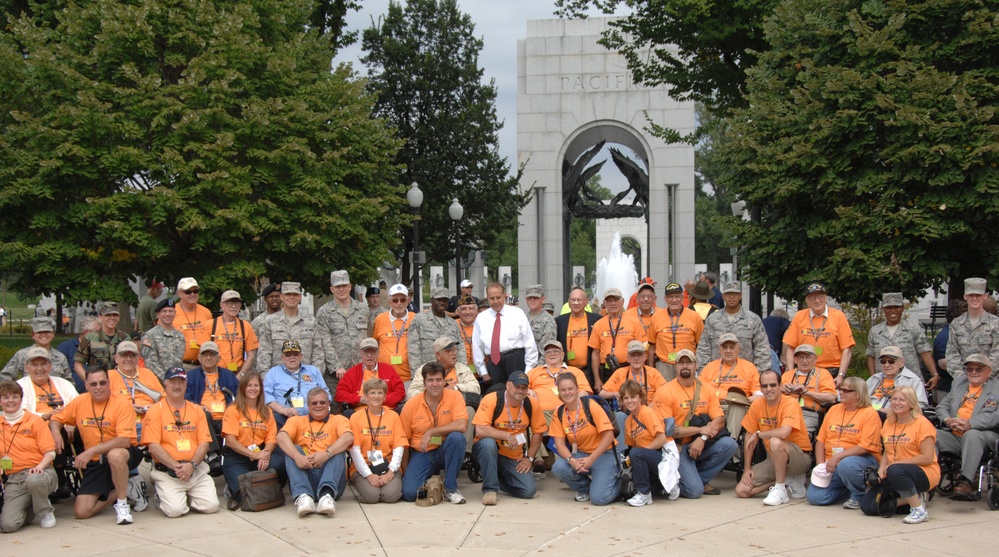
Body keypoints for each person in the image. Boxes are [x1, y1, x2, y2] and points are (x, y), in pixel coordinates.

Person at [50, 368, 144, 525]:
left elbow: (124, 440)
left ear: (109, 383)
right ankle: (124, 487)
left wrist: (90, 451)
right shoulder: (80, 401)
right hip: (97, 461)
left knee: (115, 455)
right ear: (86, 385)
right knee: (81, 512)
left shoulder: (122, 403)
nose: (98, 387)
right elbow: (56, 418)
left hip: (124, 454)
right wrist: (56, 432)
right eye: (93, 384)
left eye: (102, 383)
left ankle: (122, 505)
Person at [652, 349, 738, 498]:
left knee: (730, 444)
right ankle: (673, 481)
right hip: (677, 447)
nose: (685, 366)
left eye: (689, 362)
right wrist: (700, 431)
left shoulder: (707, 389)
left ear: (696, 365)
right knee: (694, 492)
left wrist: (702, 438)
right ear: (675, 366)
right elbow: (671, 431)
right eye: (681, 363)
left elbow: (719, 420)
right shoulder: (664, 391)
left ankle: (699, 478)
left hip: (700, 443)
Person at [142, 367, 219, 518]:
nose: (177, 386)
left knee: (211, 506)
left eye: (181, 382)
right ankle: (166, 494)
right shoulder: (155, 411)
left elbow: (204, 442)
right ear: (165, 384)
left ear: (186, 385)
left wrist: (192, 465)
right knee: (175, 511)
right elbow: (153, 446)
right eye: (173, 382)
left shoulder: (197, 410)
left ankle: (185, 495)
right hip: (169, 472)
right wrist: (176, 467)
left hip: (196, 469)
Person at [737, 369, 812, 505]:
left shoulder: (790, 403)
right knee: (742, 490)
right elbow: (749, 437)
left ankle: (780, 489)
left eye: (773, 385)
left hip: (799, 458)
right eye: (764, 386)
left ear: (781, 386)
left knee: (775, 442)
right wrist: (747, 468)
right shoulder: (757, 404)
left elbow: (784, 433)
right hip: (774, 458)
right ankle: (786, 480)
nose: (769, 389)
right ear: (760, 388)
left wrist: (759, 435)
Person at [806, 377, 882, 508]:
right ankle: (849, 488)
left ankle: (858, 496)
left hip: (860, 462)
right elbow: (820, 440)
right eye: (841, 389)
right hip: (832, 464)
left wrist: (837, 457)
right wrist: (820, 465)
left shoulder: (870, 414)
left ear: (858, 394)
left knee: (847, 465)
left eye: (846, 390)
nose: (841, 392)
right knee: (815, 497)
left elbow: (865, 447)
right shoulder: (834, 409)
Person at [472, 370, 546, 505]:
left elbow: (538, 432)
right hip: (487, 451)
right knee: (488, 444)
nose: (521, 391)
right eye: (517, 387)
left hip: (512, 455)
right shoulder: (492, 399)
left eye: (524, 388)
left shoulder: (531, 403)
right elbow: (480, 429)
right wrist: (507, 435)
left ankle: (494, 476)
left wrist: (529, 458)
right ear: (508, 385)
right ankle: (490, 490)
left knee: (528, 491)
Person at [399, 362, 469, 504]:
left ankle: (451, 488)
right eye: (430, 380)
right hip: (422, 452)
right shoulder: (412, 404)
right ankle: (432, 479)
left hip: (445, 450)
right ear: (424, 382)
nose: (435, 384)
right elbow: (404, 442)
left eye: (438, 380)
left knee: (457, 438)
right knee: (410, 493)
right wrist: (406, 472)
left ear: (445, 381)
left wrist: (431, 432)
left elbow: (462, 425)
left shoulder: (455, 397)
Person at [277, 388, 353, 517]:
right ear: (308, 405)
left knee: (337, 449)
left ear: (329, 404)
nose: (318, 406)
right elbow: (280, 437)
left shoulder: (339, 420)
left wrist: (326, 454)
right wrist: (298, 457)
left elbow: (348, 437)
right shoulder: (296, 421)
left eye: (322, 402)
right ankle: (304, 496)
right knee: (293, 448)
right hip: (305, 472)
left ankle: (326, 496)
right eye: (314, 403)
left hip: (330, 476)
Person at [871, 385, 939, 524]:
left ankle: (918, 510)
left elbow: (927, 457)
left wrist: (895, 465)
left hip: (924, 472)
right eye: (894, 399)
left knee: (896, 470)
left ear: (911, 403)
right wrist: (881, 468)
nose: (897, 403)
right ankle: (914, 497)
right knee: (870, 507)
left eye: (902, 400)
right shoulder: (889, 422)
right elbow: (887, 451)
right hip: (896, 472)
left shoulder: (922, 424)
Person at [935, 353, 999, 500]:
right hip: (955, 434)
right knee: (929, 434)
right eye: (970, 369)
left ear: (988, 371)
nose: (973, 372)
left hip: (984, 435)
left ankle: (966, 481)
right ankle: (929, 477)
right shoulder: (959, 383)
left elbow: (996, 416)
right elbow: (941, 407)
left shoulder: (996, 387)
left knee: (972, 434)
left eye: (978, 369)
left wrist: (971, 423)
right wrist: (948, 420)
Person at [548, 372, 618, 505]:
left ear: (577, 389)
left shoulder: (590, 405)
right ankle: (585, 489)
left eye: (570, 389)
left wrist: (591, 459)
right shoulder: (559, 413)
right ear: (559, 392)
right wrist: (571, 460)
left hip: (603, 453)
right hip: (581, 454)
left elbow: (609, 436)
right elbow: (560, 444)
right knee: (559, 467)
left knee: (599, 499)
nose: (567, 393)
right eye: (563, 390)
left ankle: (623, 485)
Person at [0, 380, 58, 533]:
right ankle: (32, 508)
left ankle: (45, 511)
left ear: (21, 399)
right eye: (5, 397)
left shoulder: (34, 420)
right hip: (15, 479)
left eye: (14, 396)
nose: (10, 401)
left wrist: (39, 467)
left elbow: (50, 453)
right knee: (8, 525)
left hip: (41, 473)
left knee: (34, 480)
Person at [221, 371, 282, 508]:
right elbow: (231, 441)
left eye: (256, 385)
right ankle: (233, 488)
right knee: (242, 496)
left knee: (279, 464)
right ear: (243, 388)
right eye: (249, 385)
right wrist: (254, 455)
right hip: (239, 455)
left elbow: (272, 438)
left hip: (261, 454)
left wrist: (265, 454)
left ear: (261, 388)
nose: (253, 389)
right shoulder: (233, 410)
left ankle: (267, 489)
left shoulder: (267, 411)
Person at [782, 282, 856, 384]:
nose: (817, 301)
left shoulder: (839, 317)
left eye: (820, 297)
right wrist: (790, 372)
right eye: (812, 298)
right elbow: (790, 346)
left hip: (831, 371)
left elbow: (846, 349)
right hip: (804, 370)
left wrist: (841, 375)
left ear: (826, 298)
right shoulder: (799, 316)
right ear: (807, 301)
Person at [348, 378, 407, 503]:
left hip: (389, 465)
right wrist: (368, 474)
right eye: (372, 393)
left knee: (391, 496)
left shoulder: (393, 416)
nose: (376, 396)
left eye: (380, 393)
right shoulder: (356, 417)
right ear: (365, 396)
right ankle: (365, 486)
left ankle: (388, 482)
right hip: (363, 467)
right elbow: (354, 450)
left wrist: (391, 472)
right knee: (372, 497)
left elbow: (399, 447)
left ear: (385, 396)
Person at [867, 292, 939, 390]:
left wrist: (934, 374)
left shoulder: (913, 329)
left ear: (902, 308)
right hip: (884, 384)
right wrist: (874, 379)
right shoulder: (875, 331)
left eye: (896, 307)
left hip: (910, 383)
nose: (893, 310)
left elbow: (925, 353)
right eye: (889, 307)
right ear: (883, 309)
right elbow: (871, 356)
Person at [472, 282, 538, 388]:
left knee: (518, 393)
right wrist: (483, 371)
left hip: (515, 360)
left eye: (498, 297)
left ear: (505, 295)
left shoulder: (517, 313)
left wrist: (528, 369)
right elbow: (477, 346)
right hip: (493, 363)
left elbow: (529, 342)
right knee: (496, 395)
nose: (496, 301)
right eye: (492, 298)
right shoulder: (481, 318)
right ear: (487, 298)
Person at [316, 270, 371, 395]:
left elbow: (369, 336)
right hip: (336, 374)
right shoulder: (324, 312)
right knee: (336, 408)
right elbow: (324, 341)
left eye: (344, 286)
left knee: (362, 406)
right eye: (337, 286)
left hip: (361, 369)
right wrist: (336, 366)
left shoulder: (363, 309)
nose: (341, 289)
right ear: (332, 289)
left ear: (350, 287)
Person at [698, 333, 763, 437]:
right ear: (719, 349)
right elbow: (698, 392)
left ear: (738, 349)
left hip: (738, 408)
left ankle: (730, 441)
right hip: (714, 406)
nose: (728, 351)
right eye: (725, 347)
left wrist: (743, 400)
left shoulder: (749, 367)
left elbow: (760, 396)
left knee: (736, 406)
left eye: (732, 347)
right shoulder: (709, 367)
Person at [697, 281, 771, 373]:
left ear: (740, 296)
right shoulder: (712, 320)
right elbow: (703, 349)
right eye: (728, 294)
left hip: (745, 376)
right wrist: (704, 373)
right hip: (717, 376)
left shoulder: (753, 319)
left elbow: (762, 349)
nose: (731, 297)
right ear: (723, 296)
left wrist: (758, 374)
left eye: (735, 294)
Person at [620, 378, 671, 506]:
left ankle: (644, 494)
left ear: (640, 398)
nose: (629, 401)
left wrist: (641, 453)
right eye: (626, 398)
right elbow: (632, 447)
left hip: (663, 456)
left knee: (637, 454)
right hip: (645, 459)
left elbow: (661, 439)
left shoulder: (647, 413)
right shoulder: (628, 421)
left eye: (633, 397)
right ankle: (660, 487)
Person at [587, 287, 648, 392]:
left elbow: (643, 348)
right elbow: (595, 353)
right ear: (605, 303)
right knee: (607, 400)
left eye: (616, 300)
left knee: (629, 398)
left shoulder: (634, 322)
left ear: (622, 301)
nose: (613, 303)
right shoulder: (598, 325)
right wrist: (597, 379)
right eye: (609, 301)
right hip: (606, 370)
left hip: (628, 368)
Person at [256, 282, 325, 374]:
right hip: (278, 379)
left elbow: (318, 352)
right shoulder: (270, 321)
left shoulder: (311, 321)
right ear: (281, 297)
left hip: (306, 377)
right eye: (288, 294)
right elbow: (264, 352)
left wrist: (315, 375)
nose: (291, 297)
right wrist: (266, 377)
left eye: (295, 294)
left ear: (300, 297)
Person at [263, 340, 330, 427]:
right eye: (288, 355)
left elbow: (326, 393)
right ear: (282, 357)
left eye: (295, 354)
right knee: (273, 418)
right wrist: (283, 410)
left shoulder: (313, 371)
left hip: (313, 416)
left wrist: (318, 408)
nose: (292, 357)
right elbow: (265, 395)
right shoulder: (273, 373)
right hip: (284, 417)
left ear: (301, 356)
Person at [649, 282, 703, 381]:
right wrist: (651, 370)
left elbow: (701, 346)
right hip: (664, 366)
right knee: (664, 394)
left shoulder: (694, 316)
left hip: (686, 364)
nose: (674, 300)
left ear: (682, 298)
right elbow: (652, 347)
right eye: (670, 297)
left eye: (677, 297)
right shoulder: (656, 317)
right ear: (665, 299)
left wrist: (698, 367)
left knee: (687, 394)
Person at [946, 277, 999, 379]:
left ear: (985, 296)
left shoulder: (996, 323)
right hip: (963, 382)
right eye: (971, 295)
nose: (974, 298)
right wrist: (963, 379)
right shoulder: (956, 324)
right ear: (965, 296)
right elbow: (952, 356)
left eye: (978, 295)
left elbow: (997, 356)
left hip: (990, 382)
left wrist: (981, 379)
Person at [336, 338, 405, 415]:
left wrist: (381, 399)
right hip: (360, 412)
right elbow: (340, 394)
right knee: (347, 413)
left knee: (403, 410)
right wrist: (360, 399)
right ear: (360, 354)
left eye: (372, 352)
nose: (369, 355)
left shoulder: (389, 370)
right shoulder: (352, 372)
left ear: (378, 353)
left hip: (386, 410)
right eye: (366, 352)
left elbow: (400, 392)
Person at [781, 344, 837, 435]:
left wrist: (807, 392)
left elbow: (831, 398)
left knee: (794, 433)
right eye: (801, 357)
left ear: (815, 359)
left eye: (808, 357)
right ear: (795, 360)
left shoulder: (823, 374)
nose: (804, 361)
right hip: (786, 412)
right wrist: (782, 390)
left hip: (809, 413)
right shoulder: (787, 375)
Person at [408, 287, 467, 374]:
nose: (442, 303)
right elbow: (413, 350)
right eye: (438, 299)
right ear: (431, 300)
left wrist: (463, 373)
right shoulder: (419, 320)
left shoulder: (453, 324)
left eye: (445, 300)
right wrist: (418, 375)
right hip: (428, 374)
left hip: (451, 374)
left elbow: (460, 350)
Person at [555, 286, 602, 386]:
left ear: (586, 302)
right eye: (573, 300)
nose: (576, 303)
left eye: (579, 300)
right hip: (567, 372)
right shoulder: (559, 321)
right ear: (568, 302)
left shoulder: (597, 320)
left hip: (589, 372)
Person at [1, 317, 72, 381]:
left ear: (53, 334)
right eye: (39, 332)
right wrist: (16, 391)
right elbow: (5, 376)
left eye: (47, 331)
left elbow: (68, 382)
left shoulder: (60, 357)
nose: (43, 334)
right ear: (33, 335)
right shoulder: (22, 355)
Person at [74, 303, 130, 383]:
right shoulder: (90, 339)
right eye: (108, 315)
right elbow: (78, 364)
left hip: (121, 383)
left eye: (115, 315)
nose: (112, 318)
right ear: (100, 317)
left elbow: (133, 361)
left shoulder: (125, 338)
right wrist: (89, 381)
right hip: (99, 385)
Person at [371, 284, 416, 383]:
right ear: (389, 302)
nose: (399, 303)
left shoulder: (415, 319)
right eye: (395, 300)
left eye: (402, 300)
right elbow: (374, 344)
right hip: (383, 377)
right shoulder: (380, 319)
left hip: (409, 377)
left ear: (408, 300)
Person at [208, 290, 259, 377]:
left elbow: (251, 356)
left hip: (237, 374)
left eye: (237, 303)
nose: (233, 306)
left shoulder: (246, 326)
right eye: (229, 303)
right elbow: (204, 355)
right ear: (222, 305)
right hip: (215, 374)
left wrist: (241, 375)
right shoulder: (210, 325)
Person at [867, 346, 928, 417]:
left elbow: (920, 405)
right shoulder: (874, 378)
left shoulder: (912, 380)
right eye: (883, 361)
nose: (886, 365)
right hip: (868, 414)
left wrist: (893, 411)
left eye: (891, 361)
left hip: (893, 417)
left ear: (901, 363)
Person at [172, 277, 214, 370]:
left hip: (204, 365)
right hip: (181, 365)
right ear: (179, 293)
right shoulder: (170, 313)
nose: (192, 294)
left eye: (195, 291)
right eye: (188, 292)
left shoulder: (206, 312)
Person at [140, 298, 187, 381]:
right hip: (158, 383)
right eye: (164, 311)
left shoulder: (180, 336)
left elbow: (179, 362)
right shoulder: (150, 336)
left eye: (171, 311)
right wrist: (168, 379)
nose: (168, 314)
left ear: (175, 313)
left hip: (177, 383)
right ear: (158, 314)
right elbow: (150, 363)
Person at [933, 300, 966, 403]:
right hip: (947, 389)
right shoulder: (945, 336)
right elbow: (943, 363)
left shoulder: (957, 334)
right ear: (955, 318)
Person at [58, 316, 101, 393]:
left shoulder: (101, 347)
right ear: (87, 332)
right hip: (73, 393)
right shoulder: (65, 347)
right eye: (98, 332)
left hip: (98, 391)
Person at [524, 284, 558, 357]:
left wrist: (538, 368)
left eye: (536, 297)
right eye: (530, 298)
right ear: (526, 300)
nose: (532, 300)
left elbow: (547, 350)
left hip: (539, 364)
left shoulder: (548, 320)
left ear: (542, 299)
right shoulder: (523, 318)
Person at [455, 295, 478, 368]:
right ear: (458, 312)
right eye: (463, 309)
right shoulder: (452, 325)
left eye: (471, 308)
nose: (467, 312)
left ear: (476, 311)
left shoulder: (483, 324)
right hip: (460, 370)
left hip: (484, 371)